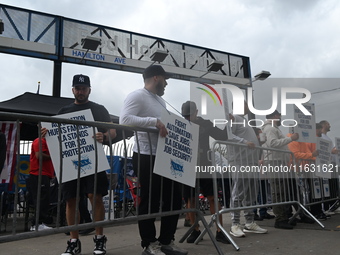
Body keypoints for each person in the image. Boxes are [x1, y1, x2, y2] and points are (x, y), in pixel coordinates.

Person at [44, 74, 116, 255]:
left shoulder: (99, 109)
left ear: (89, 90)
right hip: (69, 164)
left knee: (95, 197)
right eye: (77, 88)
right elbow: (55, 134)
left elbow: (113, 131)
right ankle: (73, 241)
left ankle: (99, 239)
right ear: (72, 90)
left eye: (84, 88)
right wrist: (46, 132)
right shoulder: (63, 111)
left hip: (94, 160)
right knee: (71, 200)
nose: (80, 91)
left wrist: (105, 136)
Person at [120, 65, 187, 255]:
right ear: (156, 78)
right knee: (150, 199)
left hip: (164, 155)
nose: (166, 83)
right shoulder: (137, 95)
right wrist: (153, 122)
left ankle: (166, 241)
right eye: (165, 79)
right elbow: (124, 119)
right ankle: (149, 244)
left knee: (173, 198)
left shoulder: (161, 101)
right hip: (145, 154)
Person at [180, 101, 229, 244]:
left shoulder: (206, 123)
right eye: (185, 116)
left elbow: (222, 136)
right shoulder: (180, 124)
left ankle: (219, 230)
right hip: (188, 165)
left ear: (196, 112)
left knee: (212, 197)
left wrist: (228, 122)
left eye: (190, 115)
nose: (188, 118)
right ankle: (195, 230)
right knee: (190, 199)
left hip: (205, 164)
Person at [228, 102, 268, 237]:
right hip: (240, 161)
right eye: (245, 105)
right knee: (238, 193)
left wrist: (257, 143)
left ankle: (250, 222)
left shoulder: (243, 120)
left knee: (251, 193)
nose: (248, 107)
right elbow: (229, 135)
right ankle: (235, 224)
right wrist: (245, 142)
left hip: (251, 162)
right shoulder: (233, 117)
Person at [261, 110, 299, 229]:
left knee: (282, 190)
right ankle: (280, 219)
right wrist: (290, 139)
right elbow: (272, 143)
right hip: (274, 162)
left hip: (278, 162)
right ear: (275, 116)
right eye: (280, 116)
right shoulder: (270, 128)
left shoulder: (273, 128)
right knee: (278, 190)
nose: (281, 118)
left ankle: (283, 217)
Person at [28, 137, 54, 230]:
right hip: (38, 174)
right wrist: (53, 156)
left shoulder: (47, 142)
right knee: (41, 199)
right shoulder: (39, 141)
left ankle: (39, 222)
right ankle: (36, 224)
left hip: (44, 174)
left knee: (44, 199)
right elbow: (39, 155)